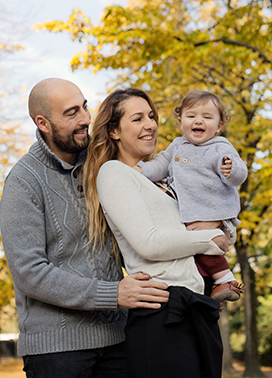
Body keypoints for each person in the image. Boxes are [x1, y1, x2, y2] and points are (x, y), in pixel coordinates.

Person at [0, 78, 170, 378]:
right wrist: (112, 294)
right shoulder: (23, 181)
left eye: (85, 107)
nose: (85, 119)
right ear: (43, 123)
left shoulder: (103, 165)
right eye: (71, 113)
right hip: (57, 351)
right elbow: (29, 273)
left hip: (118, 340)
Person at [83, 88, 231, 378]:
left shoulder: (162, 179)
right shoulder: (113, 173)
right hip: (162, 312)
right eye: (137, 118)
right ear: (114, 131)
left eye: (151, 116)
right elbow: (148, 243)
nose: (150, 124)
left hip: (194, 306)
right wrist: (210, 240)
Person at [137, 90, 247, 302]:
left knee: (200, 241)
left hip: (214, 215)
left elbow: (239, 173)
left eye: (207, 117)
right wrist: (142, 171)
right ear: (180, 121)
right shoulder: (178, 145)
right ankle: (210, 293)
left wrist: (232, 169)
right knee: (190, 254)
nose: (199, 121)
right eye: (191, 116)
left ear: (219, 125)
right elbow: (161, 164)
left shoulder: (220, 148)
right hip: (188, 214)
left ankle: (225, 278)